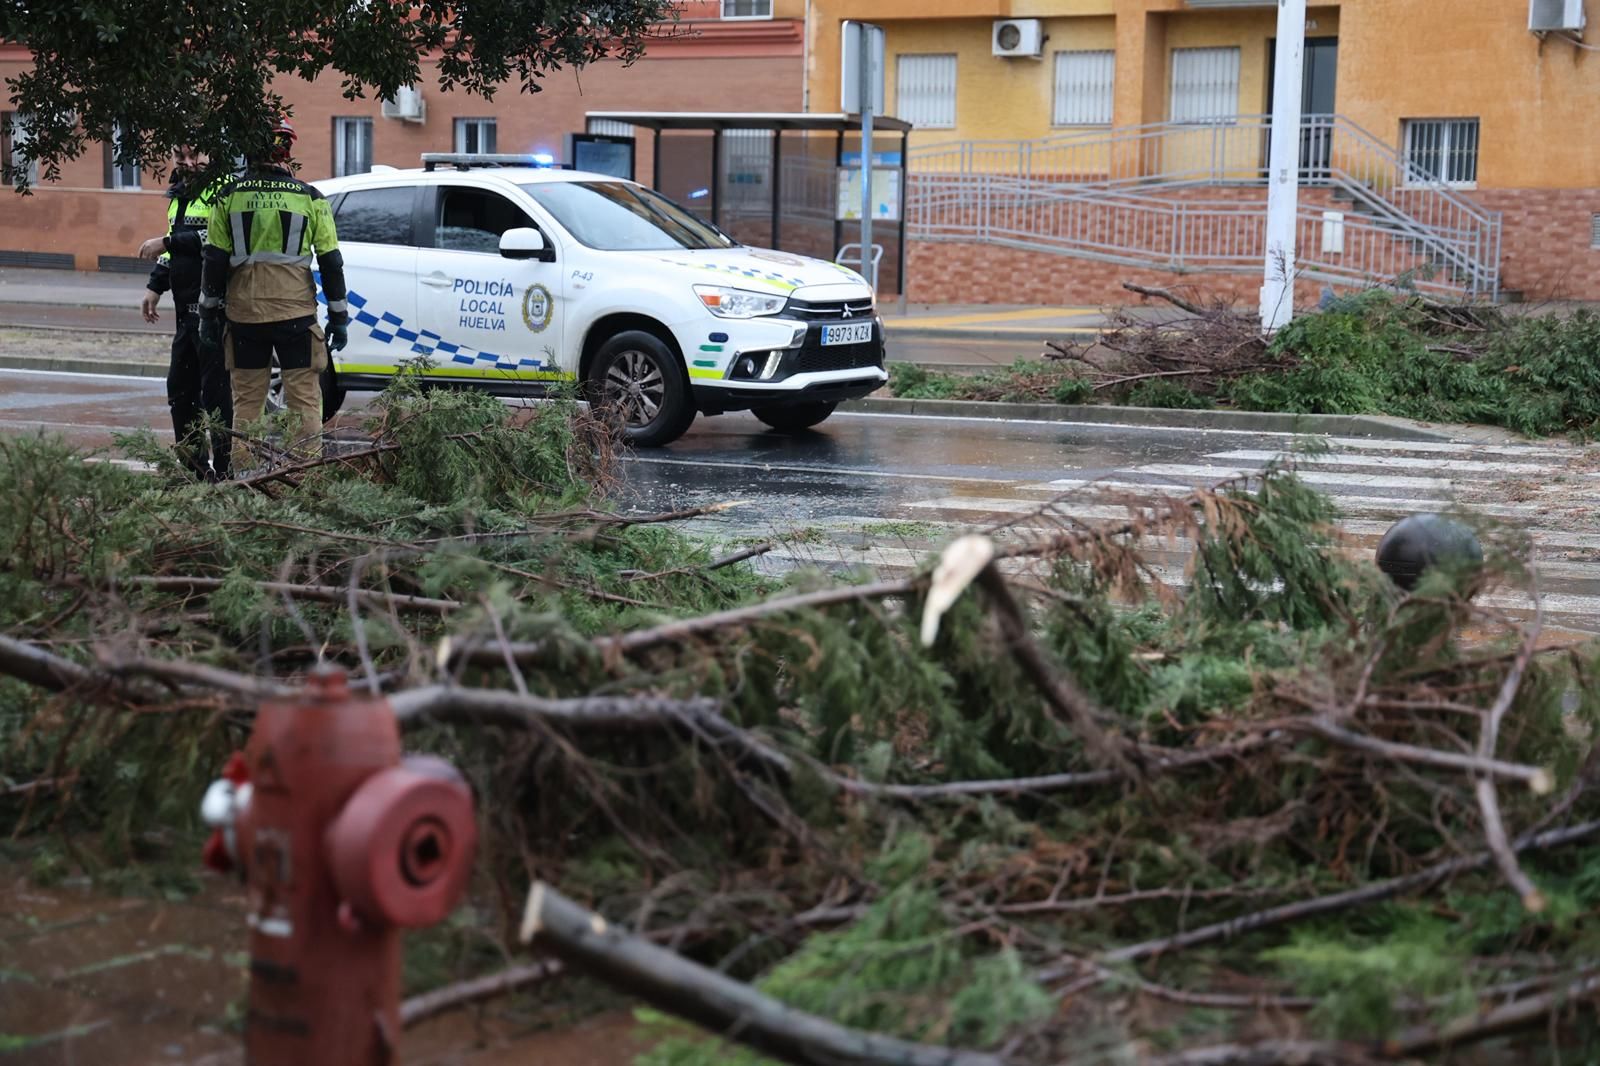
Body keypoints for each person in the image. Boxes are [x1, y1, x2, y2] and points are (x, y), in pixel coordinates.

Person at [197, 117, 348, 457]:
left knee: (247, 404)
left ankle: (247, 485)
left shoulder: (228, 198)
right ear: (287, 151)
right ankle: (305, 483)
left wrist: (207, 314)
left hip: (244, 317)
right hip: (295, 316)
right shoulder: (311, 197)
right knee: (305, 401)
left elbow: (215, 261)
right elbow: (331, 262)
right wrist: (339, 318)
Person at [138, 144, 232, 479]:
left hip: (213, 309)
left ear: (212, 156)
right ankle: (194, 469)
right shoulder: (179, 195)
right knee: (180, 388)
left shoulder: (223, 191)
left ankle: (224, 471)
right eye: (181, 158)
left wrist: (167, 242)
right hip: (184, 308)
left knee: (217, 393)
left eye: (196, 156)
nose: (189, 164)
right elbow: (173, 249)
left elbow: (218, 239)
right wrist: (155, 286)